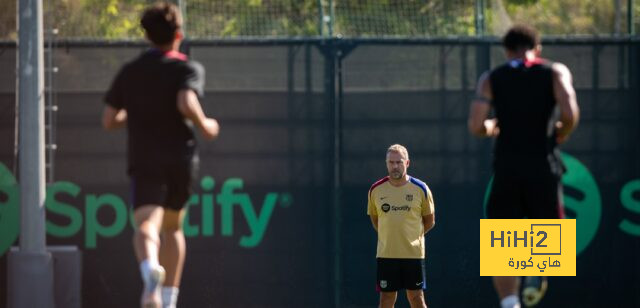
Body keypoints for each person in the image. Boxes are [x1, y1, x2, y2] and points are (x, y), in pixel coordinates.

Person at [102, 2, 220, 307]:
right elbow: (184, 101)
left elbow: (109, 120)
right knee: (173, 228)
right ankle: (168, 301)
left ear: (146, 36)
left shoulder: (131, 72)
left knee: (146, 225)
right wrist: (205, 124)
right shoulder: (187, 67)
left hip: (145, 160)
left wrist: (135, 110)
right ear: (178, 34)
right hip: (181, 160)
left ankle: (150, 270)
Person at [468, 25, 579, 308]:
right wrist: (561, 130)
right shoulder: (555, 71)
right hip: (543, 166)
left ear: (506, 51)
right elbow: (570, 113)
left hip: (507, 169)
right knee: (548, 233)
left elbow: (476, 125)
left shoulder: (492, 77)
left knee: (503, 242)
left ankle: (510, 302)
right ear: (538, 48)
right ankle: (536, 273)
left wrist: (493, 127)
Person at [367, 144, 436, 308]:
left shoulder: (421, 189)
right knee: (386, 299)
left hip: (413, 254)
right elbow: (376, 219)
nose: (395, 166)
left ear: (407, 163)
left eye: (399, 162)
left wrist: (413, 237)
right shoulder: (376, 190)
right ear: (386, 164)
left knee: (416, 298)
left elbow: (429, 221)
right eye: (391, 162)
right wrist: (390, 236)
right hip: (386, 254)